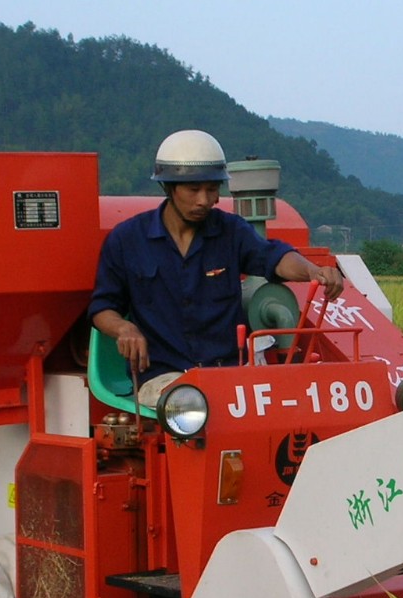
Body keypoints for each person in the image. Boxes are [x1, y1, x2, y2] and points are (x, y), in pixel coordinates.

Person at [89, 129, 345, 406]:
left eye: (212, 189)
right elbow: (102, 307)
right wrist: (123, 329)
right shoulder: (127, 239)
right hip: (161, 379)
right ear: (168, 187)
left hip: (228, 376)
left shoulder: (231, 231)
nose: (204, 200)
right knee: (195, 402)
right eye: (193, 189)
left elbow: (274, 257)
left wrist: (312, 271)